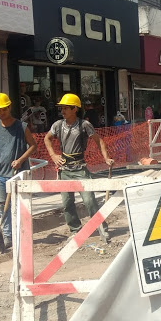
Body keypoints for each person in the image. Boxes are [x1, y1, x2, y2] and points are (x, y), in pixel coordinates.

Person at [44, 93, 114, 234]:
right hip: (64, 169)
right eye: (62, 108)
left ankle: (101, 228)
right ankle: (75, 230)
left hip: (80, 169)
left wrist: (106, 158)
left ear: (74, 109)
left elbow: (98, 140)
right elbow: (47, 138)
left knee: (89, 201)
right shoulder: (58, 125)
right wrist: (53, 155)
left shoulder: (84, 125)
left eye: (66, 108)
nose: (63, 111)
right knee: (67, 204)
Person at [0, 92, 37, 248]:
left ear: (9, 107)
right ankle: (7, 236)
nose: (1, 113)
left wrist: (20, 160)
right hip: (0, 174)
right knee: (2, 206)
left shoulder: (21, 126)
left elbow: (33, 145)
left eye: (4, 109)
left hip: (18, 174)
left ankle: (22, 234)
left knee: (20, 205)